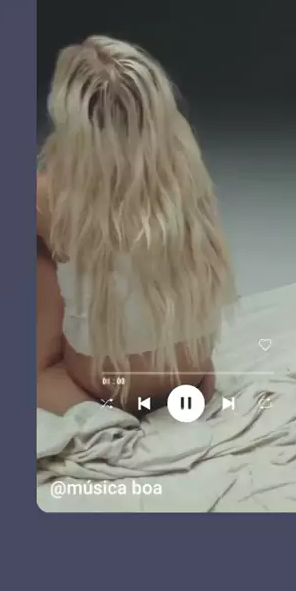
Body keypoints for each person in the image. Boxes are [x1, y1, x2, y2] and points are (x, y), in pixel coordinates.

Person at [36, 35, 237, 416]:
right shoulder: (185, 170)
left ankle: (51, 375)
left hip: (109, 388)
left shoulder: (49, 193)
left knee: (41, 250)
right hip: (192, 376)